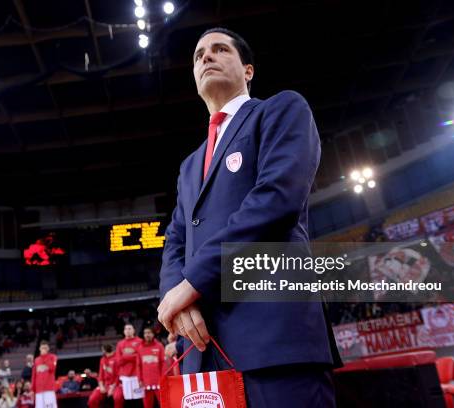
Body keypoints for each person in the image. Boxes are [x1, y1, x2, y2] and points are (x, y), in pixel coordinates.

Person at [157, 27, 341, 407]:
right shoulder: (189, 166)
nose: (206, 57)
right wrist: (178, 300)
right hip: (202, 350)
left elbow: (276, 201)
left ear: (248, 70)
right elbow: (174, 241)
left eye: (219, 49)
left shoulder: (281, 109)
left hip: (274, 339)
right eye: (198, 55)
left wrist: (193, 282)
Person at [115, 324, 144, 402]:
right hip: (125, 377)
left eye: (129, 328)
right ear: (124, 331)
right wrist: (134, 355)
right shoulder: (120, 344)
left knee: (140, 398)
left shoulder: (140, 341)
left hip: (137, 376)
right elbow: (118, 361)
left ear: (134, 330)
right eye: (126, 329)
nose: (128, 330)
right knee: (128, 399)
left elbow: (141, 357)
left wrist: (125, 356)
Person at [87, 344, 122, 408]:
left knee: (118, 398)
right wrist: (101, 386)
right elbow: (101, 375)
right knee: (92, 399)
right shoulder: (102, 359)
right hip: (105, 384)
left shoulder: (117, 358)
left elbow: (119, 375)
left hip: (116, 384)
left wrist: (112, 388)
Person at [138, 327, 164, 408]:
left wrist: (163, 378)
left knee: (163, 403)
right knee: (147, 405)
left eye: (149, 333)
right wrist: (140, 380)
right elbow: (138, 365)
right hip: (146, 382)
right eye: (145, 333)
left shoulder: (159, 346)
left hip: (158, 381)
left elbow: (163, 363)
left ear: (153, 334)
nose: (147, 335)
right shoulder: (140, 347)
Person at [31, 341, 57, 408]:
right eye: (42, 348)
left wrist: (45, 357)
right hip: (38, 389)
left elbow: (52, 368)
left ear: (48, 349)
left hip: (49, 388)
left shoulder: (53, 357)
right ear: (39, 348)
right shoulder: (36, 360)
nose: (44, 349)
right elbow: (34, 375)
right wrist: (32, 389)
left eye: (45, 348)